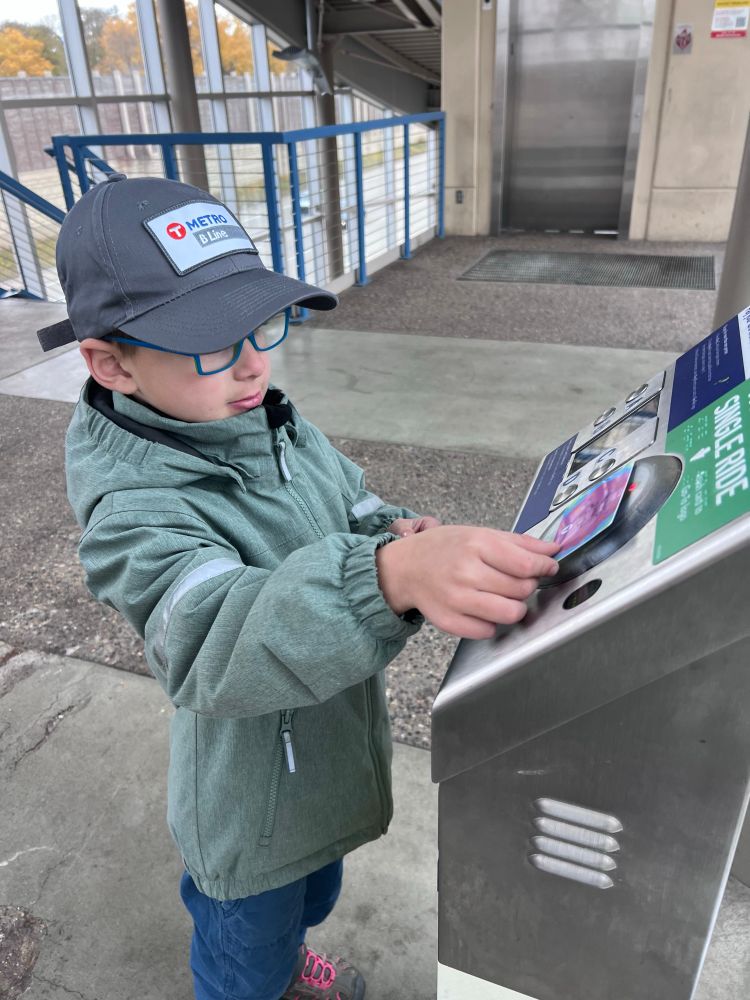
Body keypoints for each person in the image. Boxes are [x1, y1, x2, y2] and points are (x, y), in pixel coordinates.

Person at [39, 174, 559, 1000]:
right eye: (210, 344)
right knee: (242, 947)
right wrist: (384, 578)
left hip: (317, 765)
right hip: (250, 810)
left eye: (261, 324)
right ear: (111, 362)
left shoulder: (264, 418)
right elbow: (213, 636)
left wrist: (395, 533)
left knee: (313, 894)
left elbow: (350, 501)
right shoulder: (133, 512)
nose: (252, 362)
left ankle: (285, 962)